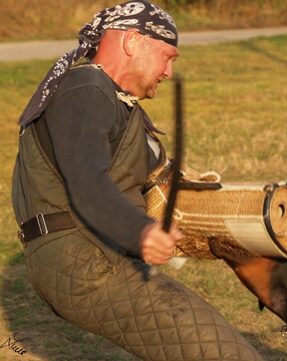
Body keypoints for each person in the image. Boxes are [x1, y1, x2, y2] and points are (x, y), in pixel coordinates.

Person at [11, 1, 264, 360]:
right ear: (132, 41)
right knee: (226, 353)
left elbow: (155, 184)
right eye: (167, 56)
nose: (169, 72)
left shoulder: (113, 101)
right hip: (87, 262)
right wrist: (140, 232)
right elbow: (87, 179)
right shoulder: (87, 86)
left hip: (91, 257)